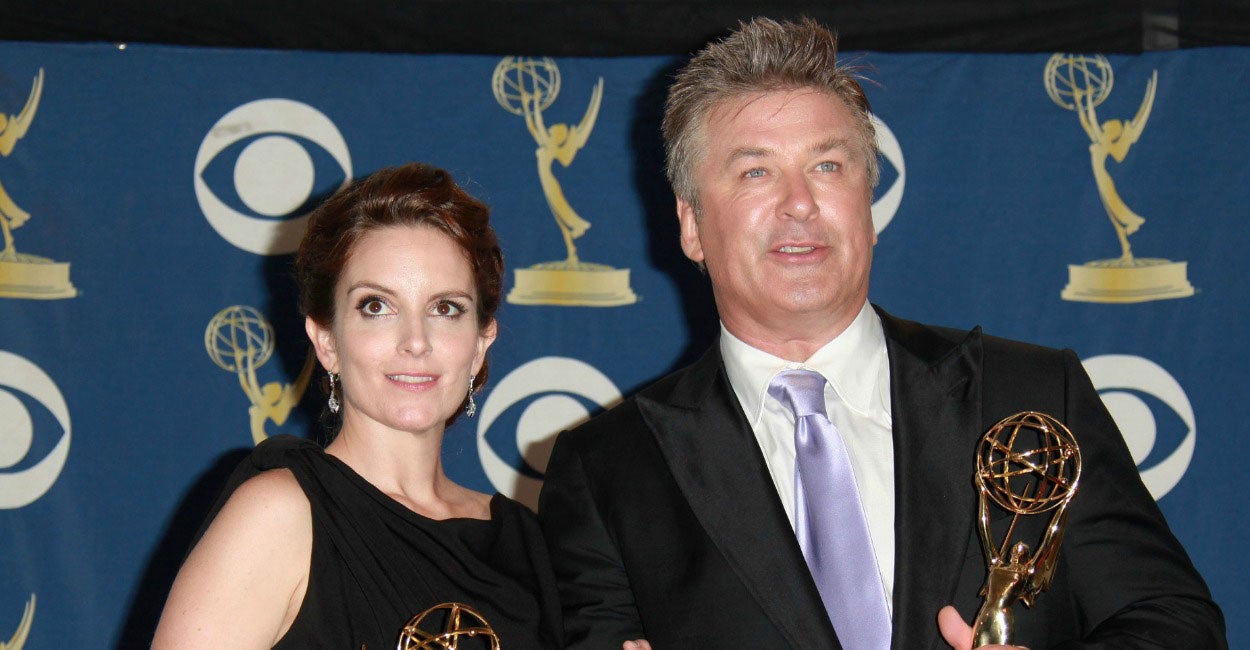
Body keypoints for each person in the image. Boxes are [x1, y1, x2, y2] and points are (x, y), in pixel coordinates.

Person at [537, 17, 1226, 650]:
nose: (799, 203)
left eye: (828, 166)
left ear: (867, 203)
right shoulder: (609, 467)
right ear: (692, 224)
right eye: (755, 171)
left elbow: (1177, 624)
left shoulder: (1033, 395)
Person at [153, 163, 563, 649]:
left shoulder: (525, 543)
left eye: (445, 308)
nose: (416, 341)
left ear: (479, 344)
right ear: (326, 341)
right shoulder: (280, 514)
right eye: (377, 306)